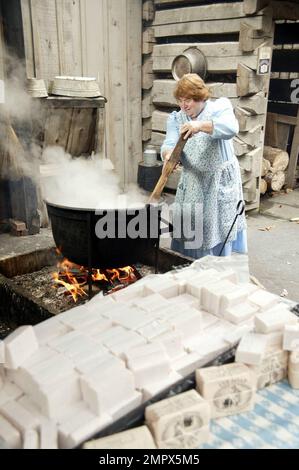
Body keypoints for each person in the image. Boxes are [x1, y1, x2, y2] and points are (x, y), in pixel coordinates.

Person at [161, 73, 247, 259]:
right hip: (193, 180)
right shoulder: (177, 118)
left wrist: (199, 125)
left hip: (218, 180)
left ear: (200, 97)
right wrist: (168, 155)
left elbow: (231, 129)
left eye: (189, 100)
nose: (184, 105)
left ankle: (215, 269)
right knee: (191, 226)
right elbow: (169, 143)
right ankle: (188, 265)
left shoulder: (219, 108)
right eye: (180, 100)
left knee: (215, 226)